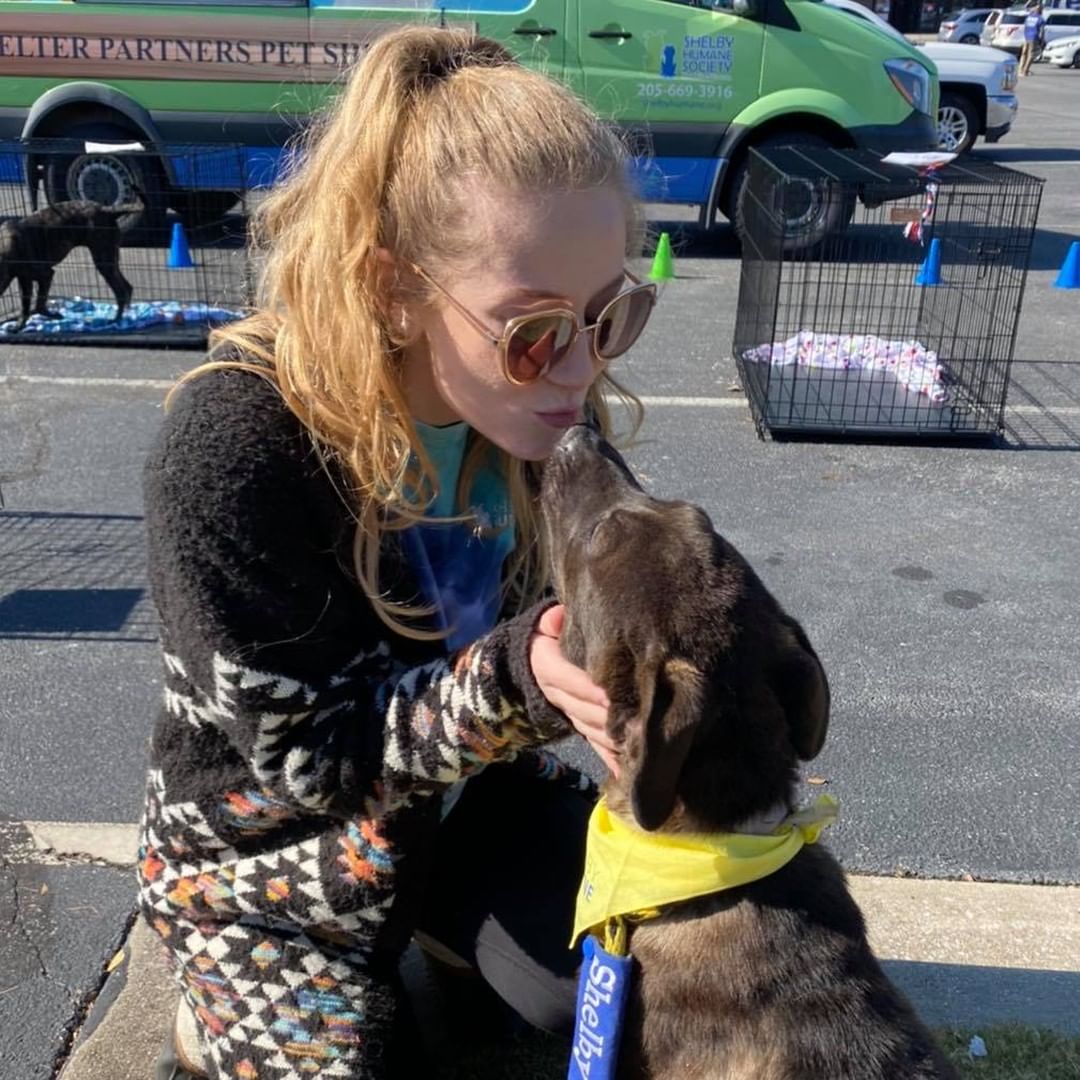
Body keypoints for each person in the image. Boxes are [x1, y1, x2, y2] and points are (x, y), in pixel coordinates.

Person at [136, 24, 658, 1080]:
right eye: (533, 330)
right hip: (266, 857)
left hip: (465, 805)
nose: (579, 367)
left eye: (613, 313)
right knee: (361, 1060)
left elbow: (615, 603)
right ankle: (212, 992)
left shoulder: (547, 417)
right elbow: (313, 763)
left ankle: (439, 930)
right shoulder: (236, 445)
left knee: (626, 994)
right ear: (394, 290)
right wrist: (525, 675)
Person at [1020, 2, 1045, 76]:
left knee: (1024, 54)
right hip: (1033, 37)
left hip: (1026, 37)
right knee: (1031, 55)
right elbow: (1042, 31)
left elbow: (1025, 26)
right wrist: (1042, 40)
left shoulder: (1029, 16)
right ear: (1041, 10)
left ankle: (1020, 70)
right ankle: (1025, 71)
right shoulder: (1040, 18)